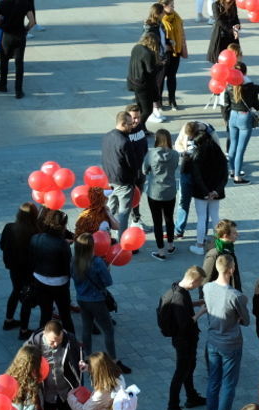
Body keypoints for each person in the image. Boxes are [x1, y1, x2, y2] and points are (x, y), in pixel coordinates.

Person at [204, 254, 250, 410]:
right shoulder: (235, 296)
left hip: (212, 341)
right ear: (231, 269)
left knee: (213, 381)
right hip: (231, 343)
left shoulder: (207, 288)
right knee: (228, 384)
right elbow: (246, 321)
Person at [157, 266, 206, 410]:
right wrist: (201, 312)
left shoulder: (177, 287)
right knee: (181, 372)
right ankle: (173, 407)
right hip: (183, 341)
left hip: (186, 340)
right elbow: (185, 324)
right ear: (192, 280)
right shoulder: (179, 297)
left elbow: (185, 307)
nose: (198, 286)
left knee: (189, 367)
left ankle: (191, 396)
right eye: (198, 284)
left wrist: (197, 303)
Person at [70, 235, 122, 366]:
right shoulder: (97, 262)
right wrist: (107, 270)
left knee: (86, 328)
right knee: (108, 329)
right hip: (96, 300)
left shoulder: (74, 261)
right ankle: (113, 360)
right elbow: (108, 282)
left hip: (81, 299)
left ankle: (87, 356)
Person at [100, 112, 145, 241]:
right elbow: (133, 164)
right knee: (123, 213)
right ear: (123, 124)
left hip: (109, 180)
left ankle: (104, 236)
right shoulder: (125, 142)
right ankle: (122, 241)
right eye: (130, 124)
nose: (132, 127)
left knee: (110, 210)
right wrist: (135, 179)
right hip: (123, 182)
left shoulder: (107, 136)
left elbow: (104, 158)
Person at [187, 126, 230, 257]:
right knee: (215, 217)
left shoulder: (198, 155)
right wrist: (216, 191)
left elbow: (197, 176)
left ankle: (199, 245)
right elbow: (225, 174)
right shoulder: (219, 153)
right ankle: (220, 244)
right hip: (216, 191)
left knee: (201, 218)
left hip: (201, 192)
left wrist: (206, 191)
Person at [30, 209, 74, 330]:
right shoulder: (63, 245)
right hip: (60, 283)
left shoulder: (35, 238)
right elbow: (67, 266)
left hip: (40, 279)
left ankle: (41, 341)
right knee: (65, 315)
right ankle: (71, 342)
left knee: (45, 314)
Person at [0, 203, 38, 334]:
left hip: (13, 268)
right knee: (27, 297)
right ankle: (24, 329)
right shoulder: (35, 231)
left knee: (15, 291)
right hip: (28, 270)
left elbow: (2, 245)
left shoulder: (9, 227)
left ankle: (8, 320)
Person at [144, 128, 181, 259]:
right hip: (170, 191)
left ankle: (161, 251)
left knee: (157, 221)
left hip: (154, 192)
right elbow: (176, 166)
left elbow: (144, 170)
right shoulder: (175, 154)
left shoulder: (151, 154)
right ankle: (170, 245)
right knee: (169, 218)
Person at [0, 0, 34, 98]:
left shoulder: (2, 3)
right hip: (20, 36)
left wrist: (3, 26)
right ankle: (18, 91)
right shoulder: (25, 3)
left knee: (4, 61)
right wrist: (25, 30)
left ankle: (2, 84)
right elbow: (32, 22)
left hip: (7, 36)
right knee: (19, 64)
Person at [128, 32, 164, 128]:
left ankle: (142, 128)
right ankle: (138, 127)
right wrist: (160, 66)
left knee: (140, 108)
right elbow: (151, 71)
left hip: (134, 81)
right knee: (147, 110)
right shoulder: (148, 53)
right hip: (143, 85)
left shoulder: (136, 47)